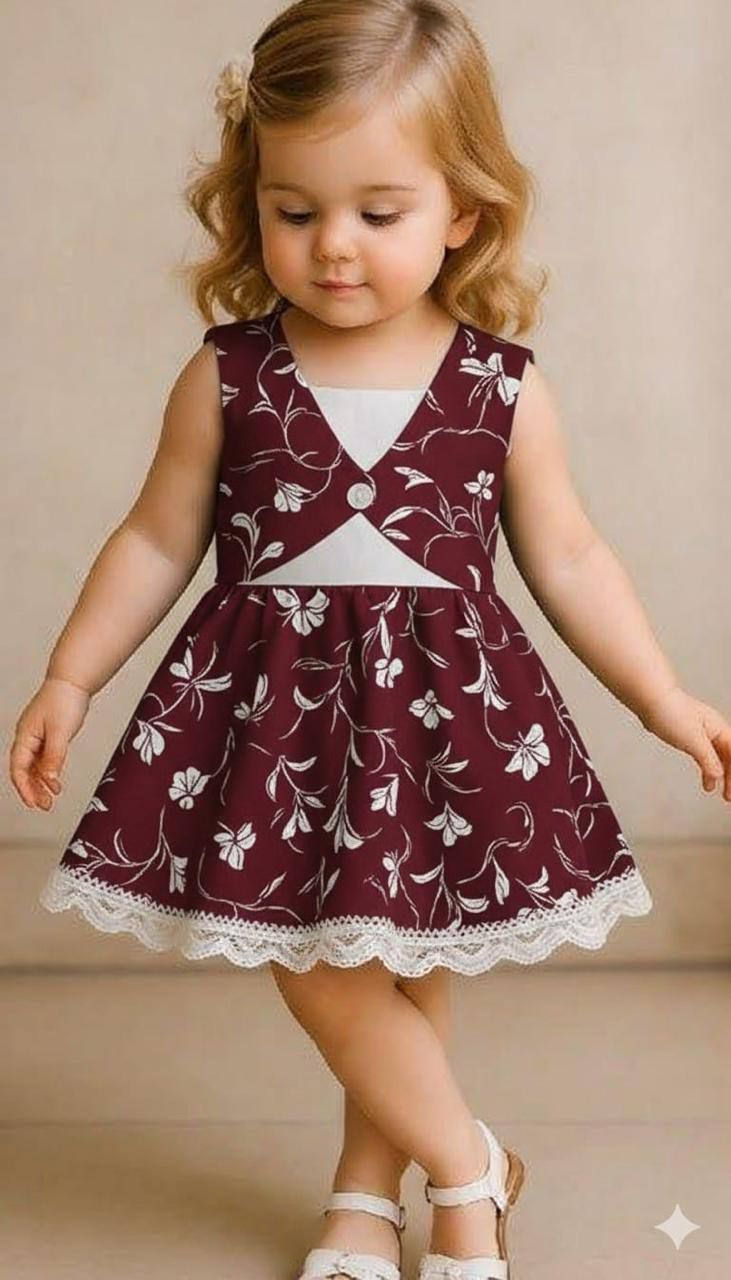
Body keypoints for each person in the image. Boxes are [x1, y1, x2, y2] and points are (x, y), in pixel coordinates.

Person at [9, 2, 731, 1278]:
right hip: (270, 721)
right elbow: (157, 538)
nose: (332, 245)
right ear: (251, 202)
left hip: (439, 716)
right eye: (293, 210)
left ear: (461, 212)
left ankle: (364, 1191)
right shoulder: (227, 375)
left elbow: (568, 557)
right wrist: (71, 673)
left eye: (377, 212)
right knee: (324, 964)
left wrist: (661, 696)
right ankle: (469, 1164)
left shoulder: (500, 386)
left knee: (403, 953)